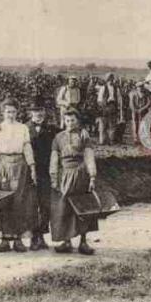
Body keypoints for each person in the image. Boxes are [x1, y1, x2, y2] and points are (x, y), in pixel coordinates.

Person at [0, 97, 37, 253]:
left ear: (17, 112)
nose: (11, 114)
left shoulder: (23, 128)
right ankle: (4, 240)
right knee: (3, 202)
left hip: (20, 166)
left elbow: (27, 147)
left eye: (14, 111)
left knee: (19, 202)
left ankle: (18, 239)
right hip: (3, 166)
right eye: (8, 111)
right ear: (3, 112)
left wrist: (32, 167)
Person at [49, 108, 98, 255]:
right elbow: (54, 159)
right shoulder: (58, 138)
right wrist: (54, 177)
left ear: (77, 121)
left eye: (73, 120)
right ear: (64, 121)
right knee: (64, 208)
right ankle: (66, 241)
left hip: (81, 174)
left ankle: (83, 242)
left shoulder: (83, 135)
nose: (69, 123)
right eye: (67, 120)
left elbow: (89, 156)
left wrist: (92, 176)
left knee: (82, 208)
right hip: (65, 175)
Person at [27, 101, 60, 251]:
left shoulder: (52, 129)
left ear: (45, 112)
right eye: (35, 110)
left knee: (45, 204)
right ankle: (33, 236)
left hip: (46, 172)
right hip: (29, 172)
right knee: (32, 205)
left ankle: (41, 236)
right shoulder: (24, 129)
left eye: (41, 110)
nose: (39, 113)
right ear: (30, 113)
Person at [96, 73, 124, 145]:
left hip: (113, 107)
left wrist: (119, 108)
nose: (110, 81)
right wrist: (103, 106)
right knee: (103, 125)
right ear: (106, 80)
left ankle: (112, 140)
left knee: (112, 125)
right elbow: (99, 100)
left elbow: (119, 99)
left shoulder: (116, 88)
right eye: (109, 80)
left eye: (112, 79)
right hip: (105, 107)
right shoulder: (103, 88)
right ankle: (102, 140)